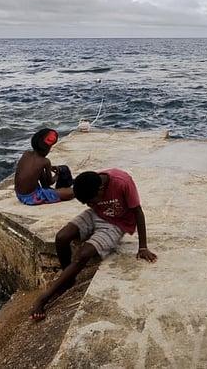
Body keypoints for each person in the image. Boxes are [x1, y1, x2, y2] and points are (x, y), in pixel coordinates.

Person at [29, 168, 157, 320]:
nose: (89, 204)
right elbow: (88, 203)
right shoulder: (90, 184)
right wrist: (93, 206)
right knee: (62, 237)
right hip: (97, 214)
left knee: (83, 254)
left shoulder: (122, 183)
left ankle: (44, 298)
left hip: (117, 223)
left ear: (101, 189)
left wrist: (143, 247)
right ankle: (68, 278)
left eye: (91, 201)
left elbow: (138, 211)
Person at [14, 128, 75, 205]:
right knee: (72, 192)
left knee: (63, 168)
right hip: (31, 197)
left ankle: (61, 188)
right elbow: (50, 182)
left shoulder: (26, 154)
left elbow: (35, 169)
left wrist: (50, 168)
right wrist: (57, 174)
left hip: (19, 193)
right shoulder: (45, 161)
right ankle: (63, 189)